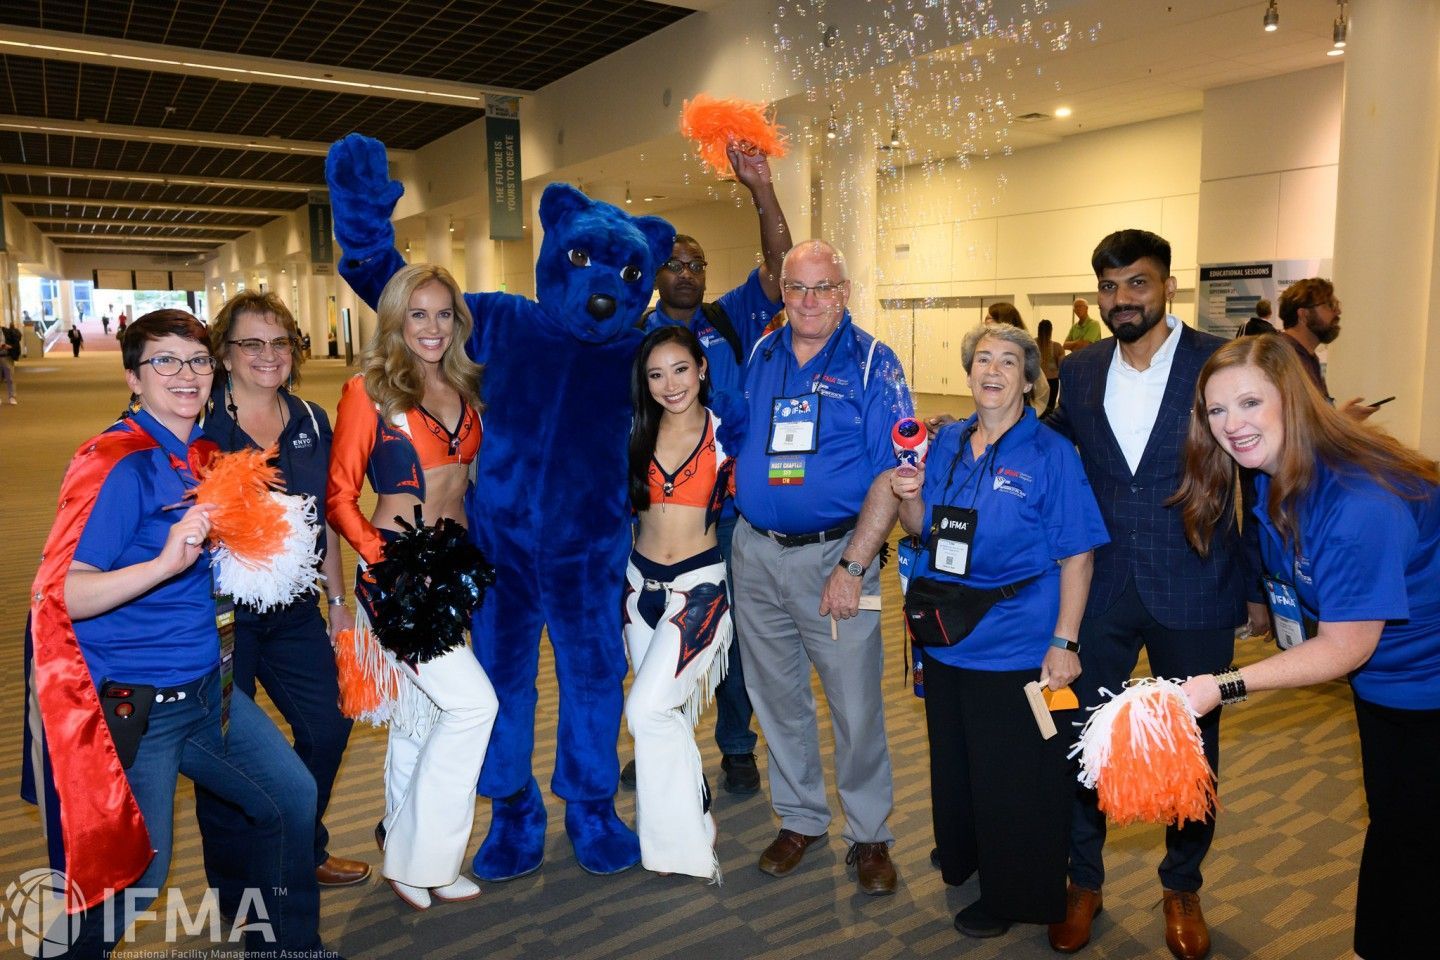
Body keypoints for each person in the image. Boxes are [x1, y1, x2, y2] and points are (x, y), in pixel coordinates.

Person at [29, 310, 329, 959]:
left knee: (290, 798)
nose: (185, 374)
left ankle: (287, 948)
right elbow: (64, 593)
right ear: (135, 376)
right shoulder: (117, 463)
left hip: (205, 692)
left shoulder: (197, 455)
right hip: (136, 706)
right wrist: (164, 563)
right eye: (165, 361)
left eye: (196, 360)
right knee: (136, 875)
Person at [1172, 334, 1440, 960]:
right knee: (1400, 828)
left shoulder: (1357, 502)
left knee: (1419, 839)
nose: (1231, 427)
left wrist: (1224, 685)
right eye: (1216, 411)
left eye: (1248, 404)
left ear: (1290, 402)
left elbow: (1345, 646)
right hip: (1389, 684)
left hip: (1426, 684)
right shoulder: (1278, 473)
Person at [1045, 229, 1249, 960]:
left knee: (1191, 744)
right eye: (1108, 286)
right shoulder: (1081, 367)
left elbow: (1252, 470)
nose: (1121, 299)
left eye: (1136, 283)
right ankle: (1083, 881)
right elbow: (1054, 447)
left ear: (1167, 285)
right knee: (1079, 735)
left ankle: (1182, 884)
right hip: (1099, 584)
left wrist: (1257, 588)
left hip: (1195, 580)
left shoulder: (1217, 361)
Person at [891, 322, 1107, 939]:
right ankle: (966, 854)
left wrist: (1064, 643)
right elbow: (920, 528)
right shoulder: (951, 441)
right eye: (981, 358)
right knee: (956, 761)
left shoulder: (1050, 454)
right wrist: (908, 495)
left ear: (1029, 379)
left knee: (1014, 778)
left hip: (1017, 640)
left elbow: (1078, 556)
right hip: (947, 632)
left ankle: (1016, 893)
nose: (991, 370)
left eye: (1007, 361)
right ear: (967, 374)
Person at [731, 239, 913, 895]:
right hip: (755, 554)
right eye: (797, 288)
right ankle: (801, 818)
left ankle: (868, 835)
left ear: (844, 292)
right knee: (776, 700)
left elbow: (896, 473)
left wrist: (855, 565)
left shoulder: (872, 364)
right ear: (782, 292)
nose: (809, 301)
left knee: (856, 707)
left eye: (823, 288)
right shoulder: (762, 353)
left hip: (837, 560)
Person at [328, 263, 498, 911]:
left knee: (420, 717)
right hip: (397, 573)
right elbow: (340, 497)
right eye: (417, 314)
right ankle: (423, 855)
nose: (431, 326)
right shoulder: (368, 391)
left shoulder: (465, 386)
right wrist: (386, 563)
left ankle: (407, 849)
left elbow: (469, 483)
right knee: (472, 706)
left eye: (443, 313)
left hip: (454, 570)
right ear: (396, 319)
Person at [196, 290, 370, 900]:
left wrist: (339, 603)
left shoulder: (312, 420)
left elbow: (323, 519)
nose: (268, 356)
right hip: (216, 618)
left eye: (280, 343)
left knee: (328, 727)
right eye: (251, 344)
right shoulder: (195, 420)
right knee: (222, 754)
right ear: (224, 353)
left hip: (294, 609)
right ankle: (237, 887)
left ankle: (299, 849)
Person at [633, 138, 790, 798]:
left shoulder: (730, 319)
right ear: (653, 273)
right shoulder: (629, 339)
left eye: (696, 263)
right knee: (644, 639)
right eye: (675, 264)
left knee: (729, 643)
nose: (688, 273)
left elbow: (781, 272)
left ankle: (735, 746)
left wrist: (762, 190)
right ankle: (656, 737)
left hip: (727, 518)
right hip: (650, 520)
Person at [623, 326, 736, 881]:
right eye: (656, 374)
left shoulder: (727, 433)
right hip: (635, 586)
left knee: (646, 710)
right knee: (658, 717)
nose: (670, 384)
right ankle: (692, 805)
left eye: (681, 369)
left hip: (700, 589)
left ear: (702, 369)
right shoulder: (633, 432)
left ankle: (685, 844)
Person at [1276, 278, 1376, 421]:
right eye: (1329, 305)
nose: (1338, 311)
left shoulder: (1307, 356)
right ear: (1304, 315)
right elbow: (1292, 427)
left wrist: (1341, 418)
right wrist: (1342, 420)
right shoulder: (1280, 358)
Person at [1036, 318, 1063, 417]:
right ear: (1051, 331)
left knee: (1036, 407)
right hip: (1052, 381)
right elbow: (1061, 366)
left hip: (1036, 381)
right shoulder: (1057, 347)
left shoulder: (1032, 344)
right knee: (1050, 408)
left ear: (1038, 330)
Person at [1, 320, 19, 404]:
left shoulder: (7, 332)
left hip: (6, 357)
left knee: (10, 378)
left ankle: (12, 397)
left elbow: (16, 340)